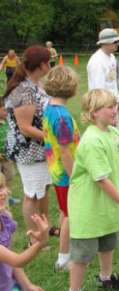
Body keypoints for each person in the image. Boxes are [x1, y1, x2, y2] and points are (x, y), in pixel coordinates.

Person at [64, 89, 119, 291]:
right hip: (88, 206)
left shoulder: (114, 133)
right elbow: (101, 180)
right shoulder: (91, 140)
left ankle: (106, 279)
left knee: (108, 242)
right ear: (94, 112)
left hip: (108, 204)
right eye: (109, 107)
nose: (115, 110)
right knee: (83, 254)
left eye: (115, 105)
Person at [3, 46, 54, 245]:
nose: (50, 65)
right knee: (32, 194)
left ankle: (44, 229)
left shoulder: (35, 84)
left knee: (42, 189)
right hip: (29, 152)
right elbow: (25, 128)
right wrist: (53, 139)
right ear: (41, 65)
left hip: (40, 149)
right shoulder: (24, 90)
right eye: (48, 62)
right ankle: (35, 239)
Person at [0, 175, 49, 291]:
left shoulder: (3, 219)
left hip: (5, 290)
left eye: (2, 187)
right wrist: (40, 243)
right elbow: (18, 260)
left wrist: (27, 285)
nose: (3, 193)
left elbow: (11, 262)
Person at [42, 65, 80, 271]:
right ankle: (64, 257)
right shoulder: (62, 117)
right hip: (66, 174)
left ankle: (64, 250)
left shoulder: (50, 109)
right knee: (69, 215)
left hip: (56, 172)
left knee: (64, 211)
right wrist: (74, 176)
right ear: (70, 87)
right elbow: (65, 152)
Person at [87, 28, 119, 128]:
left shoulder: (112, 57)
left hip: (112, 106)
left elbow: (113, 84)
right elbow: (98, 92)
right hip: (102, 109)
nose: (118, 44)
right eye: (115, 42)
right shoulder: (97, 62)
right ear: (105, 43)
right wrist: (106, 114)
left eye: (118, 41)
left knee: (115, 137)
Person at [0, 98, 18, 207]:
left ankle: (8, 198)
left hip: (7, 158)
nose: (6, 112)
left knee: (9, 176)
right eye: (3, 110)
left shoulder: (8, 122)